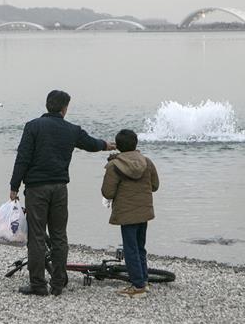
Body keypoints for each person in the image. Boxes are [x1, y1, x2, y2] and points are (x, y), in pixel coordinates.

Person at [10, 90, 115, 296]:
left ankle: (38, 285)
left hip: (36, 189)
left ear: (48, 104)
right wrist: (106, 145)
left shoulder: (33, 127)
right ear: (64, 108)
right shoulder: (71, 129)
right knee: (59, 236)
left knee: (37, 237)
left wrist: (14, 186)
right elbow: (90, 144)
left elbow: (23, 157)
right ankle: (58, 284)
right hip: (59, 189)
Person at [100, 129, 159, 298]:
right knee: (140, 247)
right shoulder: (147, 162)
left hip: (126, 213)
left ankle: (138, 286)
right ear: (136, 143)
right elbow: (155, 186)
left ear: (118, 146)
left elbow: (107, 192)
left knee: (130, 248)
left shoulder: (114, 165)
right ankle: (143, 280)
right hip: (144, 210)